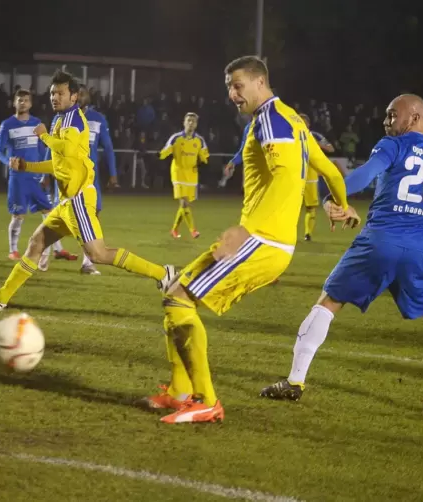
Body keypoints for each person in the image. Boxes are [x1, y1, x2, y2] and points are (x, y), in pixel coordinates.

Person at [145, 56, 355, 424]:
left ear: (260, 82)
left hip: (262, 239)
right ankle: (180, 391)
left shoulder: (273, 120)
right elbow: (327, 168)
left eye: (238, 85)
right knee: (175, 292)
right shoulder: (290, 119)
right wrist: (341, 204)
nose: (231, 94)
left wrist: (245, 230)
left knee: (179, 299)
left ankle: (206, 400)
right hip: (266, 240)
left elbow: (287, 178)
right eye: (229, 86)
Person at [260, 94, 423, 414]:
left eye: (392, 115)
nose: (386, 122)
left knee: (328, 303)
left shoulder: (393, 147)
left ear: (414, 118)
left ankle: (294, 381)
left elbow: (364, 174)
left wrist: (339, 197)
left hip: (377, 243)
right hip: (419, 252)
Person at [0, 70, 174, 312]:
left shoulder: (73, 119)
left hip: (79, 199)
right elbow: (59, 163)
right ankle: (2, 295)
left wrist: (45, 138)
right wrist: (28, 166)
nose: (55, 97)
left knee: (98, 254)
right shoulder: (59, 120)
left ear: (74, 96)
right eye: (52, 93)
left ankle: (163, 273)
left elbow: (67, 151)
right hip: (66, 203)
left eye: (60, 93)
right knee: (37, 242)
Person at [0, 89, 74, 263]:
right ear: (14, 103)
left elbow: (42, 150)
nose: (22, 103)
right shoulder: (7, 125)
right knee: (18, 215)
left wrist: (44, 172)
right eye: (19, 100)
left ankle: (58, 250)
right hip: (18, 178)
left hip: (35, 176)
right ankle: (13, 250)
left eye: (25, 100)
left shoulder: (37, 124)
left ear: (30, 103)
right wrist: (8, 161)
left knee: (49, 212)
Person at [74, 84, 118, 274]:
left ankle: (87, 263)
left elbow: (108, 147)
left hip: (91, 178)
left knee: (93, 217)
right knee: (62, 220)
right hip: (70, 177)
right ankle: (40, 255)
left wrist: (113, 174)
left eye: (83, 93)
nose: (80, 96)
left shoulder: (98, 119)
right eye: (78, 93)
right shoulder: (65, 118)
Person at [160, 113, 209, 239]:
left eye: (193, 121)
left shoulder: (199, 140)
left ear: (196, 124)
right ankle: (193, 230)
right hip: (178, 173)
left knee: (184, 205)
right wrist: (159, 155)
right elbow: (166, 150)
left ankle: (174, 230)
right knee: (184, 203)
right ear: (184, 122)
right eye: (189, 121)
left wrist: (204, 162)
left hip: (191, 175)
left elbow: (205, 156)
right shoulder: (176, 138)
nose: (191, 123)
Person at [299, 113, 337, 241]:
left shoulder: (315, 136)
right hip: (293, 175)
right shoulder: (290, 136)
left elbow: (331, 148)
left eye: (303, 122)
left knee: (311, 207)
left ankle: (307, 234)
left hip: (310, 176)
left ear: (308, 124)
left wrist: (317, 145)